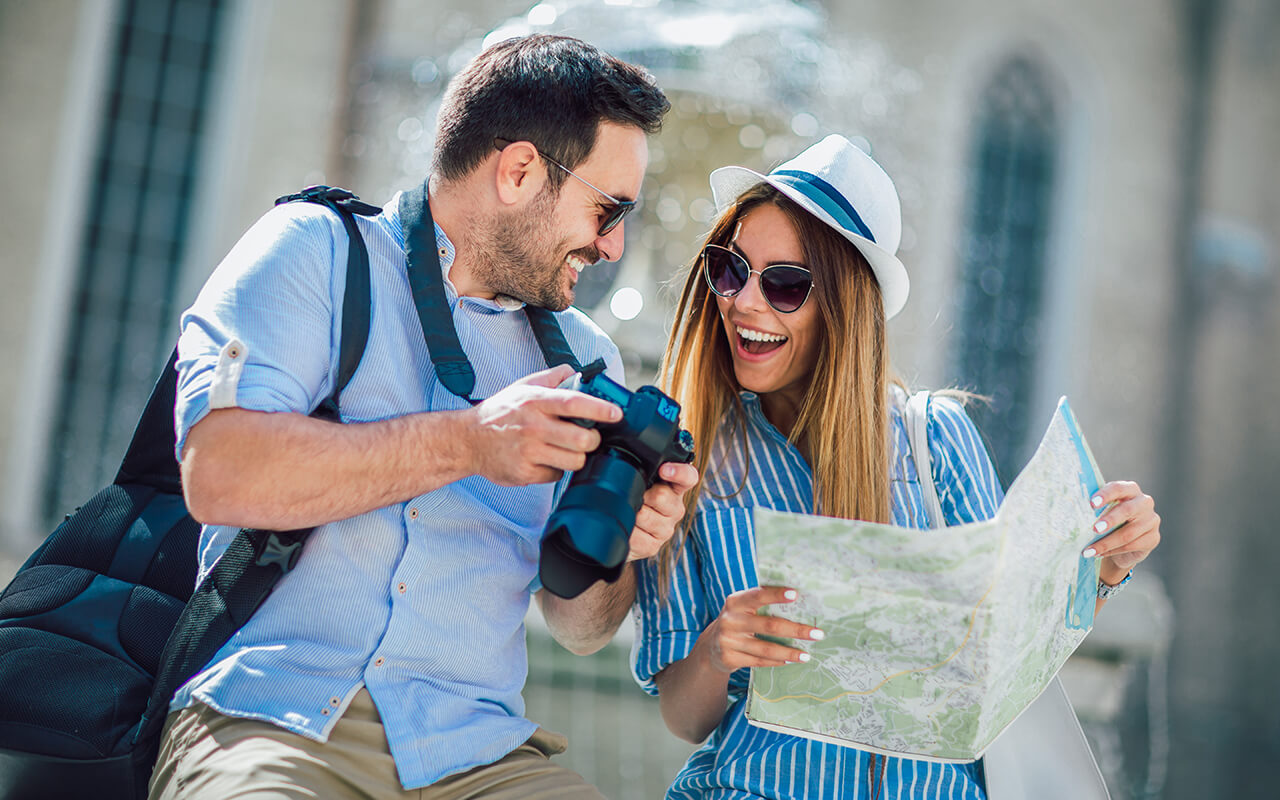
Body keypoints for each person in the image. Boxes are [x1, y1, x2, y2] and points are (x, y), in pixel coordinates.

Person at [150, 34, 697, 799]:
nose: (614, 246)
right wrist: (471, 443)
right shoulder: (314, 252)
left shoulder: (586, 356)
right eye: (608, 210)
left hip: (481, 756)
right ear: (519, 172)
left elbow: (581, 630)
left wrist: (623, 545)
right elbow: (219, 474)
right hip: (272, 723)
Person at [631, 134, 1163, 799]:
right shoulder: (691, 460)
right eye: (730, 268)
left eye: (786, 284)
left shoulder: (934, 441)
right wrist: (717, 647)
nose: (741, 301)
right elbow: (684, 717)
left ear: (846, 308)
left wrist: (1104, 568)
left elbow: (1001, 660)